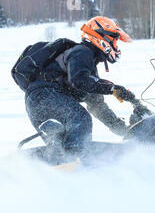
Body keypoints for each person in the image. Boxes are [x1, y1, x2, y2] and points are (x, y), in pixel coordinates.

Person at [12, 16, 137, 155]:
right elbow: (79, 80)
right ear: (102, 37)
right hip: (47, 95)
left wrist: (123, 130)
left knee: (61, 144)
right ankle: (75, 158)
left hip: (38, 102)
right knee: (80, 118)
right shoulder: (82, 52)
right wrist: (112, 88)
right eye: (114, 40)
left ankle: (60, 164)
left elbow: (98, 107)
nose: (116, 46)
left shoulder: (90, 72)